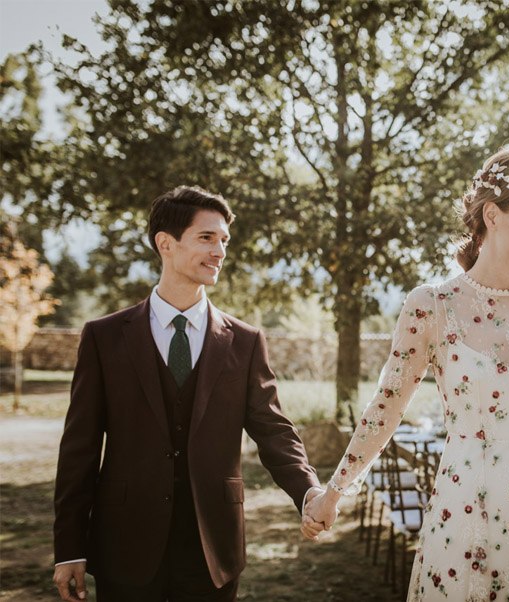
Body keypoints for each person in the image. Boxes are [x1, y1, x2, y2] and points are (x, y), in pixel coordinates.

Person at [304, 143, 509, 600]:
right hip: (467, 511)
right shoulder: (431, 306)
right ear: (492, 215)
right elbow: (385, 409)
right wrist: (334, 493)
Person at [52, 186, 324, 601]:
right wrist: (69, 548)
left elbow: (274, 431)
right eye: (206, 238)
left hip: (214, 549)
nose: (220, 251)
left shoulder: (245, 342)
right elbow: (79, 449)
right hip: (126, 544)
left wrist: (307, 490)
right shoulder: (104, 338)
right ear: (166, 243)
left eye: (224, 240)